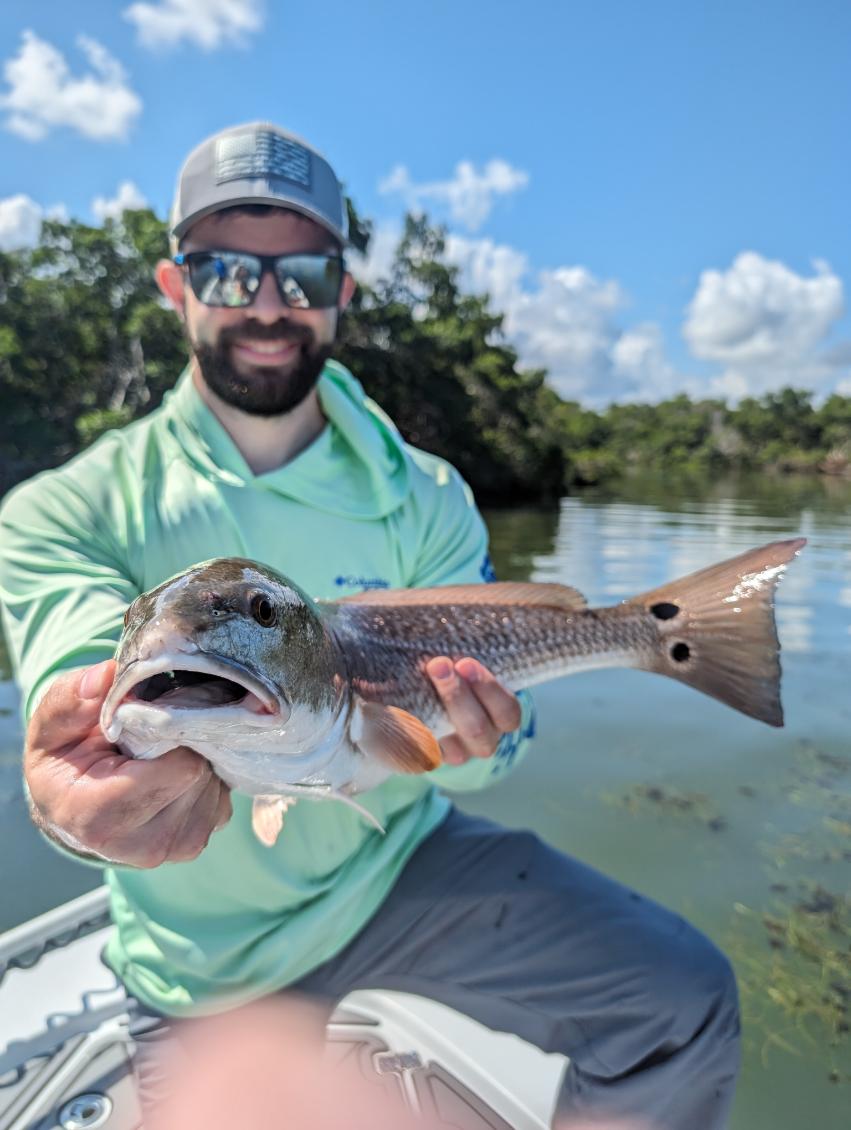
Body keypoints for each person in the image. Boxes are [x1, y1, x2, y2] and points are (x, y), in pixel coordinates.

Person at [0, 122, 740, 1128]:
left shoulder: (426, 493)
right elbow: (77, 670)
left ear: (341, 291)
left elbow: (492, 756)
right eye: (227, 271)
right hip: (198, 958)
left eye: (301, 274)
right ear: (176, 286)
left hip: (394, 867)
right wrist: (75, 797)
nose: (267, 303)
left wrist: (481, 740)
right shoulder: (61, 510)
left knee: (683, 1000)